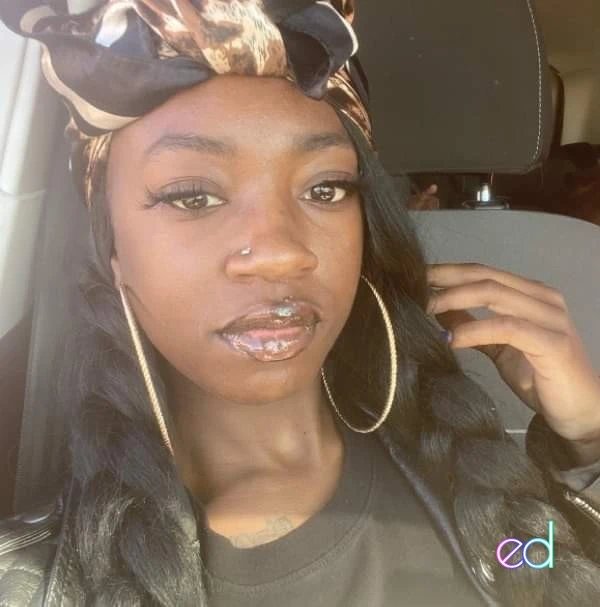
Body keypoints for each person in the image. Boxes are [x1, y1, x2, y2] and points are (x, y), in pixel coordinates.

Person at [1, 1, 600, 606]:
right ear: (111, 250)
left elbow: (546, 564)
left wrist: (589, 445)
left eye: (325, 188)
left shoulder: (472, 475)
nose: (281, 255)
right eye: (192, 197)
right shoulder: (26, 584)